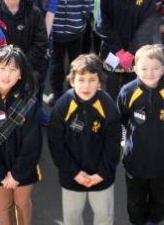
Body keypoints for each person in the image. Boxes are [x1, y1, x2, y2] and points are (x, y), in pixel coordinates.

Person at [47, 55, 122, 225]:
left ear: (99, 82)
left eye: (91, 80)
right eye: (81, 80)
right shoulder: (63, 105)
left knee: (104, 216)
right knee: (72, 217)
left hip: (101, 176)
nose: (86, 86)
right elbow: (56, 144)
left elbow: (113, 144)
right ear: (72, 81)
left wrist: (102, 173)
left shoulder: (107, 105)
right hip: (72, 176)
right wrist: (74, 172)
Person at [0, 46, 42, 225]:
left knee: (22, 203)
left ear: (20, 74)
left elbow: (32, 141)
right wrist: (0, 174)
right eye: (2, 68)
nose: (6, 74)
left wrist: (16, 174)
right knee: (3, 205)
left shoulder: (28, 100)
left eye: (13, 69)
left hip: (23, 167)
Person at [117, 45, 164, 225]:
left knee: (161, 199)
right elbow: (120, 121)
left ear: (163, 69)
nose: (150, 73)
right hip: (135, 161)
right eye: (144, 68)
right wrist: (124, 141)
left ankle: (153, 221)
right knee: (135, 201)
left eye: (155, 68)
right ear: (135, 68)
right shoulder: (128, 91)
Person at [98, 0, 157, 98]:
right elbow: (103, 22)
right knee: (111, 92)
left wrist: (131, 52)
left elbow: (147, 25)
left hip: (137, 53)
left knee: (133, 94)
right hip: (112, 52)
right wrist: (119, 51)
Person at [0, 0, 50, 101]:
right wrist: (7, 68)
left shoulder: (34, 12)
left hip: (30, 68)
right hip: (3, 71)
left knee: (32, 105)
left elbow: (41, 43)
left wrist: (21, 66)